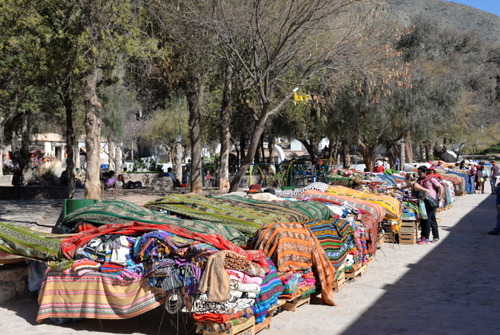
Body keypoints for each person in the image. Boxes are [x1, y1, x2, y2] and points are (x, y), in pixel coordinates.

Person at [416, 165, 444, 244]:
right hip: (423, 201)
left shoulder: (431, 179)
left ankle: (427, 237)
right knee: (429, 219)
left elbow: (440, 187)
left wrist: (439, 198)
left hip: (431, 202)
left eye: (420, 172)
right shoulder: (419, 180)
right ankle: (431, 236)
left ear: (425, 172)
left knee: (427, 219)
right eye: (418, 172)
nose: (419, 174)